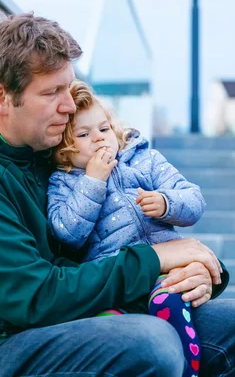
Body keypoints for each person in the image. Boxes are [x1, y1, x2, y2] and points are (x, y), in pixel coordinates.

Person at [0, 12, 235, 377]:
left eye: (68, 88)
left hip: (71, 319)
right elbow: (33, 298)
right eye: (51, 92)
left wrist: (193, 273)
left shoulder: (52, 150)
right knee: (150, 343)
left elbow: (113, 241)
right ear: (1, 97)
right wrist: (154, 260)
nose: (70, 106)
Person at [48, 80, 208, 376]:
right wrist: (93, 181)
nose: (99, 139)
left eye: (104, 129)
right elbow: (67, 232)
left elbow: (195, 200)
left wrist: (166, 202)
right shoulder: (63, 181)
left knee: (170, 301)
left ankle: (189, 371)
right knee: (117, 330)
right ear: (64, 149)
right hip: (115, 278)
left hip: (165, 274)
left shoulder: (143, 159)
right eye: (84, 134)